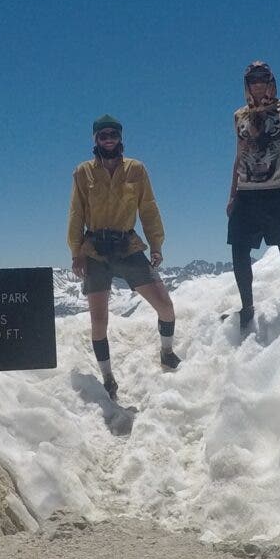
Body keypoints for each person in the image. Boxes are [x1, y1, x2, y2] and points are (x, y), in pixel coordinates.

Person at [68, 114, 181, 401]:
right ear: (95, 139)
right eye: (103, 135)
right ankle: (108, 378)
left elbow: (149, 208)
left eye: (113, 135)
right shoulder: (83, 172)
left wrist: (156, 244)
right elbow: (76, 214)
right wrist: (76, 252)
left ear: (120, 138)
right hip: (94, 251)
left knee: (166, 307)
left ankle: (166, 353)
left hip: (127, 246)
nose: (108, 140)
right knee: (99, 322)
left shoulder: (136, 169)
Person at [226, 61, 280, 330]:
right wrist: (233, 194)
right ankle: (246, 308)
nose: (258, 83)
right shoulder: (239, 116)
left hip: (279, 191)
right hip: (247, 194)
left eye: (262, 78)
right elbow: (239, 156)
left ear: (271, 80)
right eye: (252, 79)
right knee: (239, 251)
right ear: (246, 84)